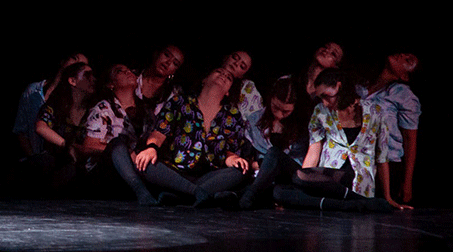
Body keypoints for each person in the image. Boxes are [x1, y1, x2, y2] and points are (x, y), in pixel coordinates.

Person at [273, 68, 412, 211]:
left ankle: (358, 200)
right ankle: (353, 204)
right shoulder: (321, 112)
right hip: (328, 176)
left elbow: (382, 158)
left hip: (357, 178)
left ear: (339, 86)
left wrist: (388, 197)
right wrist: (304, 181)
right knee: (281, 189)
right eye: (321, 98)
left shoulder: (375, 112)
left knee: (293, 187)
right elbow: (314, 151)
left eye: (327, 96)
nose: (325, 102)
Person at [133, 67, 250, 207]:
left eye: (229, 77)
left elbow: (229, 151)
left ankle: (182, 196)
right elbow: (159, 132)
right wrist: (151, 148)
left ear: (228, 91)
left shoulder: (233, 115)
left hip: (209, 175)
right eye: (219, 72)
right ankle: (197, 194)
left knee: (240, 172)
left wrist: (234, 159)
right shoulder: (180, 102)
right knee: (147, 166)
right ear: (204, 79)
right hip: (176, 171)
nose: (224, 76)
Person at [77, 63, 158, 205]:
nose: (128, 73)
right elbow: (88, 146)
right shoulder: (104, 108)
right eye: (120, 71)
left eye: (130, 70)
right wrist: (126, 151)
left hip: (136, 168)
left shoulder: (146, 111)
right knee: (118, 142)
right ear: (110, 84)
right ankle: (141, 191)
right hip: (105, 174)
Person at [359, 52, 421, 204]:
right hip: (359, 160)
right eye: (404, 53)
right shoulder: (360, 86)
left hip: (387, 164)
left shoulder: (403, 95)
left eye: (408, 60)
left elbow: (410, 140)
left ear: (405, 77)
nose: (402, 55)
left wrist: (407, 183)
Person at [237, 77, 308, 209]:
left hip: (289, 174)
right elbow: (246, 157)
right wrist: (257, 165)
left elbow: (302, 162)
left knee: (274, 152)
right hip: (262, 175)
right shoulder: (255, 119)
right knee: (276, 192)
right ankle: (244, 195)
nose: (280, 115)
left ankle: (249, 195)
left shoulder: (301, 126)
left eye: (286, 111)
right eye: (276, 108)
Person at [29, 61, 96, 193]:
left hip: (82, 164)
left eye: (93, 75)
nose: (93, 79)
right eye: (87, 75)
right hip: (56, 160)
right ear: (72, 81)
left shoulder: (93, 108)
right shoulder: (57, 104)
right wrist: (67, 146)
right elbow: (40, 127)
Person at [13, 53, 88, 159]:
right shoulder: (33, 90)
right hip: (33, 160)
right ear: (63, 61)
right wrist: (33, 159)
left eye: (81, 65)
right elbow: (20, 129)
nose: (75, 64)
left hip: (60, 162)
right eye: (74, 59)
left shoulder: (76, 100)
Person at [137, 44, 185, 115]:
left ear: (174, 71)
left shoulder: (173, 97)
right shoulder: (132, 77)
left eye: (175, 63)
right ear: (157, 54)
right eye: (167, 55)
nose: (168, 62)